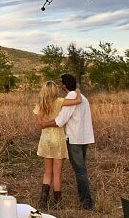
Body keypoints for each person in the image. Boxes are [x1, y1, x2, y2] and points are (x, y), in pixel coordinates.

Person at [40, 73, 95, 210]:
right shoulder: (82, 97)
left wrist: (45, 124)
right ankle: (81, 200)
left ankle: (86, 201)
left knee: (79, 170)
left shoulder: (70, 98)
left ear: (64, 86)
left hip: (74, 138)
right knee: (80, 169)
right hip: (84, 137)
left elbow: (60, 121)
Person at [33, 81, 82, 208]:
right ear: (55, 91)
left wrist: (45, 122)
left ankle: (43, 201)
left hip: (46, 139)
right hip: (58, 138)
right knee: (57, 172)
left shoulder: (40, 105)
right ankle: (57, 202)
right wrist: (77, 89)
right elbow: (78, 101)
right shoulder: (59, 101)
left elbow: (40, 123)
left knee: (47, 171)